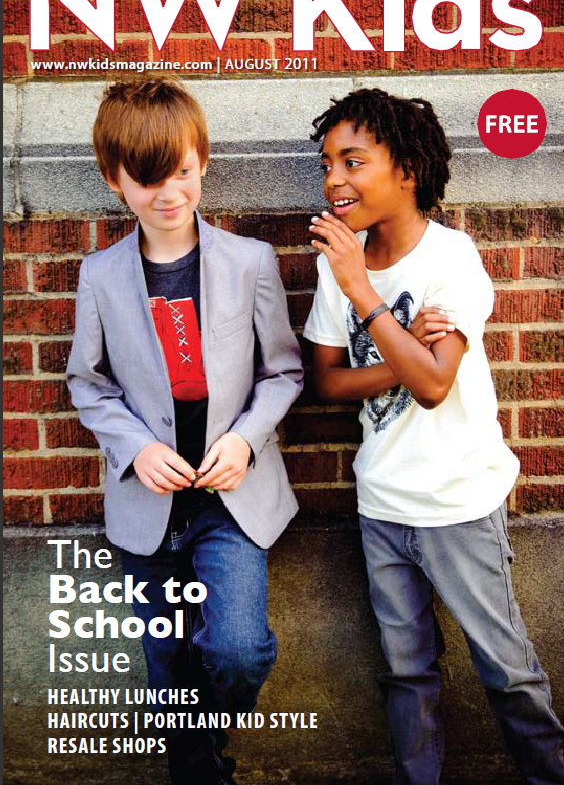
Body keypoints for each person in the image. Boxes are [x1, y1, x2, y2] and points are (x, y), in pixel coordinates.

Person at [302, 87, 564, 785]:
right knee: (406, 674)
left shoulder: (451, 258)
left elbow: (434, 383)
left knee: (507, 670)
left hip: (458, 504)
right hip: (383, 505)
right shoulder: (343, 259)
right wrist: (396, 351)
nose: (335, 179)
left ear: (407, 170)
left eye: (353, 161)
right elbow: (327, 380)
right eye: (328, 162)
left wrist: (364, 291)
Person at [66, 77, 303, 785]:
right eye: (144, 179)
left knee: (237, 651)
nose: (167, 193)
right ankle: (200, 770)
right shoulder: (101, 275)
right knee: (167, 661)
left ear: (202, 161)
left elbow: (284, 372)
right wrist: (136, 446)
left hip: (229, 500)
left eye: (181, 173)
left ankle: (199, 750)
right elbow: (88, 382)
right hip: (149, 506)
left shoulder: (249, 261)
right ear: (115, 180)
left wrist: (245, 439)